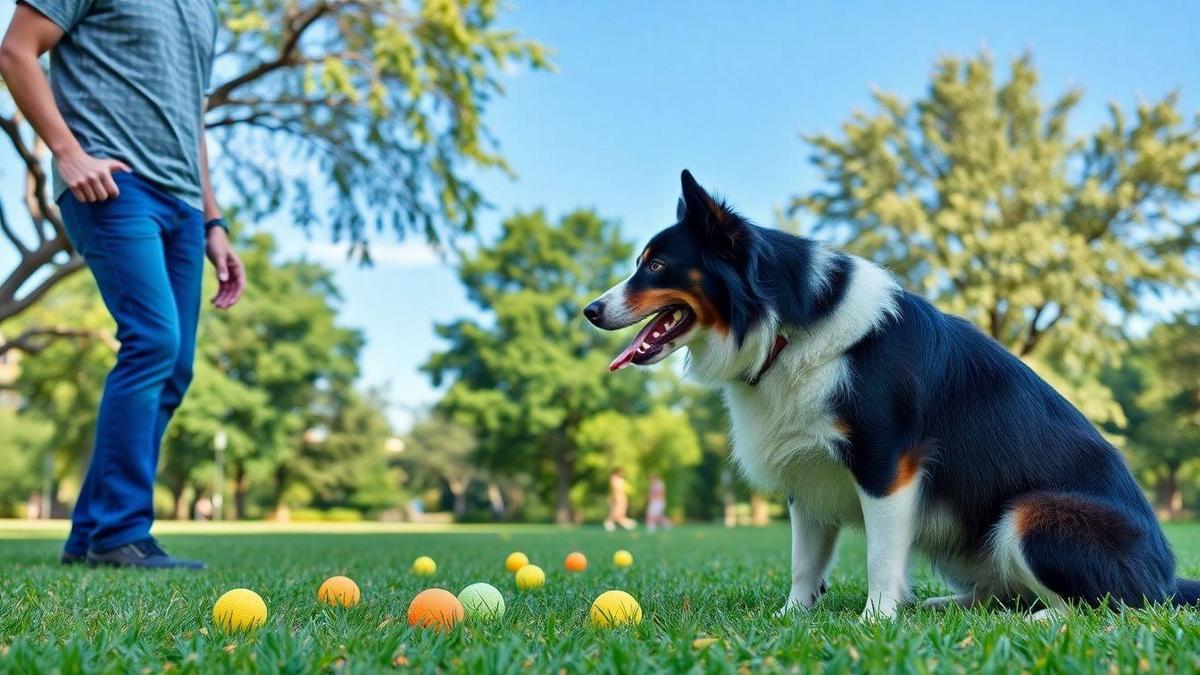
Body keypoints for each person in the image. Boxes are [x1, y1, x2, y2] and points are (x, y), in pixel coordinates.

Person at [0, 0, 245, 568]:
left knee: (176, 364)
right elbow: (16, 51)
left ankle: (91, 533)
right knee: (153, 341)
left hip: (183, 205)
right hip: (114, 187)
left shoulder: (205, 9)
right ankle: (121, 533)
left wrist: (214, 222)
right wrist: (68, 153)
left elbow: (193, 120)